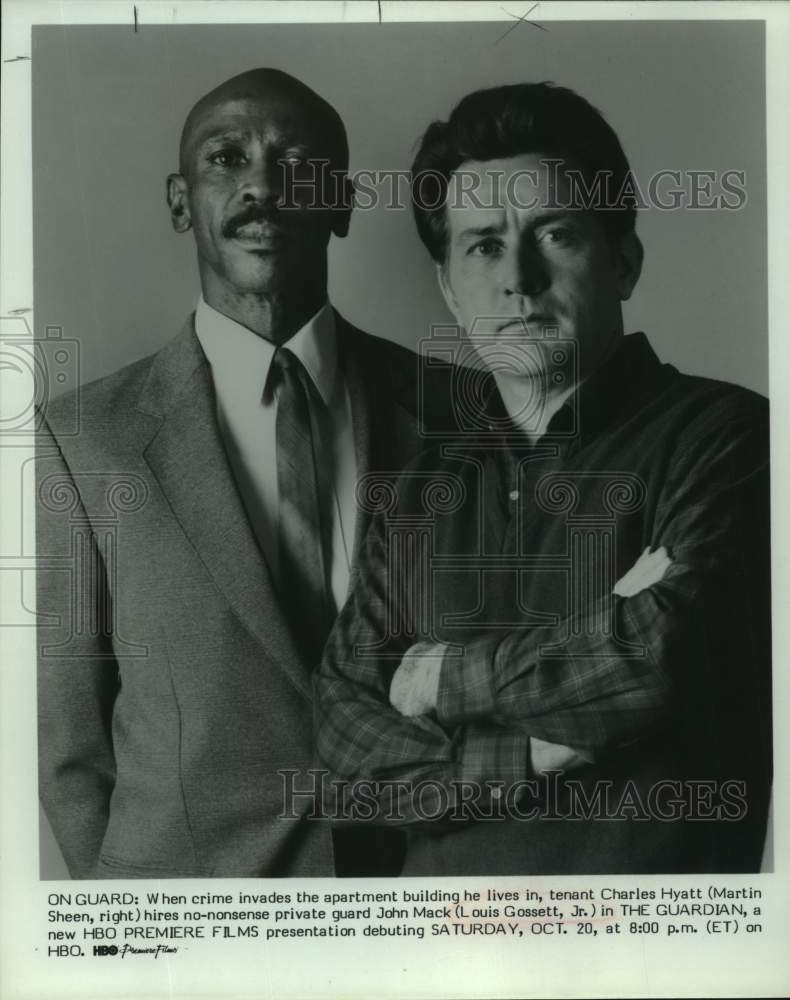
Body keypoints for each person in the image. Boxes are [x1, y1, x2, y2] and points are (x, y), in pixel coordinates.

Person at [314, 83, 771, 875]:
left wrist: (443, 676)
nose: (519, 278)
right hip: (439, 943)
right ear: (450, 289)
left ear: (623, 261)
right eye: (483, 246)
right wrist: (527, 756)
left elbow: (664, 654)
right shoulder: (420, 491)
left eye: (554, 234)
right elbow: (345, 744)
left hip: (653, 938)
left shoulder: (728, 436)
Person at [36, 68, 452, 879]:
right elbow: (69, 751)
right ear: (180, 201)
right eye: (226, 158)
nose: (263, 186)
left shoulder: (459, 415)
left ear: (342, 202)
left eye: (298, 164)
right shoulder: (81, 441)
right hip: (191, 922)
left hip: (415, 906)